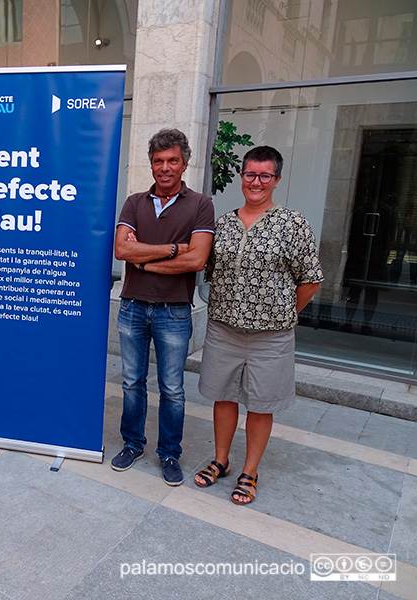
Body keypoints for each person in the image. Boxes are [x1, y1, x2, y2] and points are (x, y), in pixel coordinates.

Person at [195, 145, 323, 505]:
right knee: (223, 396)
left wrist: (284, 313)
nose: (256, 182)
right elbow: (209, 270)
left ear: (276, 180)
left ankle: (249, 471)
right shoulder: (223, 224)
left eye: (265, 175)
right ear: (242, 177)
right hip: (224, 330)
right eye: (250, 174)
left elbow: (310, 279)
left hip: (272, 336)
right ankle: (221, 460)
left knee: (261, 404)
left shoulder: (292, 224)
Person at [112, 128, 215, 485]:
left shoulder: (201, 204)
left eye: (172, 160)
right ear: (151, 165)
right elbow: (122, 250)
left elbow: (198, 259)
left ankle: (169, 453)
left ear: (184, 163)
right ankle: (132, 443)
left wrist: (145, 259)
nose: (165, 167)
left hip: (174, 310)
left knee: (172, 387)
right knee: (131, 382)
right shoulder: (134, 202)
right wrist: (173, 248)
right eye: (159, 161)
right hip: (133, 307)